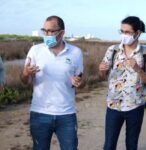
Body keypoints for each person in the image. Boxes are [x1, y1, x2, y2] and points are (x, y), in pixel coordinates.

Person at [20, 15, 84, 150]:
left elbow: (80, 81)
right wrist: (26, 73)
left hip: (67, 114)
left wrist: (78, 82)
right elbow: (24, 81)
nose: (47, 34)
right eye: (45, 30)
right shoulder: (35, 50)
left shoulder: (76, 53)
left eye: (51, 31)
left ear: (62, 33)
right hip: (40, 113)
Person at [99, 16, 146, 150]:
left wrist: (138, 69)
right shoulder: (113, 50)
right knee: (109, 145)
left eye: (127, 32)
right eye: (122, 31)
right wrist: (102, 70)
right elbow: (103, 76)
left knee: (131, 145)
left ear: (137, 33)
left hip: (135, 106)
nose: (124, 35)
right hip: (113, 106)